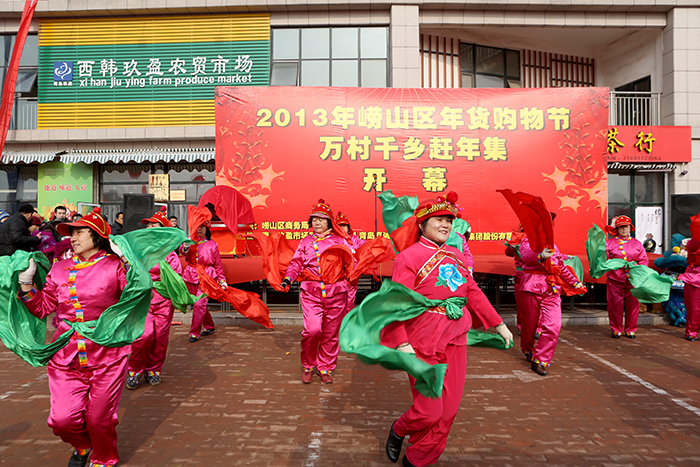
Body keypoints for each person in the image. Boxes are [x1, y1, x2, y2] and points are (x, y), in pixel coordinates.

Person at [381, 192, 512, 467]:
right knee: (429, 411)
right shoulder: (408, 257)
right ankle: (399, 429)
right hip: (421, 340)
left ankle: (418, 459)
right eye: (439, 219)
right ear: (422, 224)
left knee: (447, 412)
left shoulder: (455, 254)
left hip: (456, 337)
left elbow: (472, 292)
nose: (446, 225)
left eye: (449, 221)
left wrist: (498, 323)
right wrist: (402, 343)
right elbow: (397, 303)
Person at [17, 208, 128, 467]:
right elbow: (44, 307)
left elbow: (137, 293)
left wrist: (129, 262)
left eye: (80, 232)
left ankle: (104, 459)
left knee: (100, 419)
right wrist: (26, 284)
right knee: (61, 420)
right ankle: (82, 445)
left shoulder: (115, 267)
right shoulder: (59, 269)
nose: (73, 238)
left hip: (107, 355)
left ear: (97, 236)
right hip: (65, 356)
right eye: (71, 233)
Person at [281, 199, 350, 384]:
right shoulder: (305, 242)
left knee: (331, 333)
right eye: (314, 219)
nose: (317, 223)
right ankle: (308, 364)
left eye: (321, 219)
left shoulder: (341, 241)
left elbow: (351, 263)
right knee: (313, 330)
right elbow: (296, 263)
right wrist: (289, 277)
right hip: (311, 293)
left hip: (336, 293)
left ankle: (325, 366)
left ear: (329, 222)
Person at [126, 207, 183, 389]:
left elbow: (176, 277)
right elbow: (129, 273)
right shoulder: (138, 250)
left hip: (164, 302)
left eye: (154, 224)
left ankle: (153, 369)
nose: (150, 226)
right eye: (148, 224)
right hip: (143, 299)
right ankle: (134, 370)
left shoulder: (170, 254)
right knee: (143, 336)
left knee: (160, 338)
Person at [518, 233, 582, 376]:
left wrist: (575, 282)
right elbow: (526, 256)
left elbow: (560, 266)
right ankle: (528, 349)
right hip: (532, 286)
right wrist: (540, 256)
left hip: (551, 289)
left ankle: (540, 360)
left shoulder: (553, 246)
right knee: (529, 325)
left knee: (554, 325)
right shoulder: (527, 241)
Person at [180, 217, 226, 342]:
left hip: (207, 277)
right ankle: (209, 326)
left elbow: (218, 265)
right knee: (199, 305)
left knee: (199, 304)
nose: (200, 229)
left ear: (207, 229)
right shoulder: (189, 241)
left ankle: (194, 332)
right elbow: (182, 252)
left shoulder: (213, 244)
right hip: (191, 275)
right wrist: (186, 246)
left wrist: (222, 280)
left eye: (202, 227)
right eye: (198, 227)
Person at [605, 215, 648, 339]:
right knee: (615, 304)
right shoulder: (609, 243)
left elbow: (643, 260)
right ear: (617, 229)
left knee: (633, 304)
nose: (624, 229)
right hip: (615, 278)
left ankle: (631, 329)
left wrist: (640, 272)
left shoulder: (637, 244)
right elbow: (604, 260)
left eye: (626, 226)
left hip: (633, 279)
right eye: (621, 227)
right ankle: (616, 329)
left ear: (631, 228)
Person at [336, 211, 365, 313]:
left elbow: (365, 249)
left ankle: (347, 322)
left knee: (349, 300)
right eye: (340, 226)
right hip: (336, 276)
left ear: (348, 228)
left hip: (352, 275)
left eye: (344, 226)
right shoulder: (332, 240)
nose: (342, 228)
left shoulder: (355, 240)